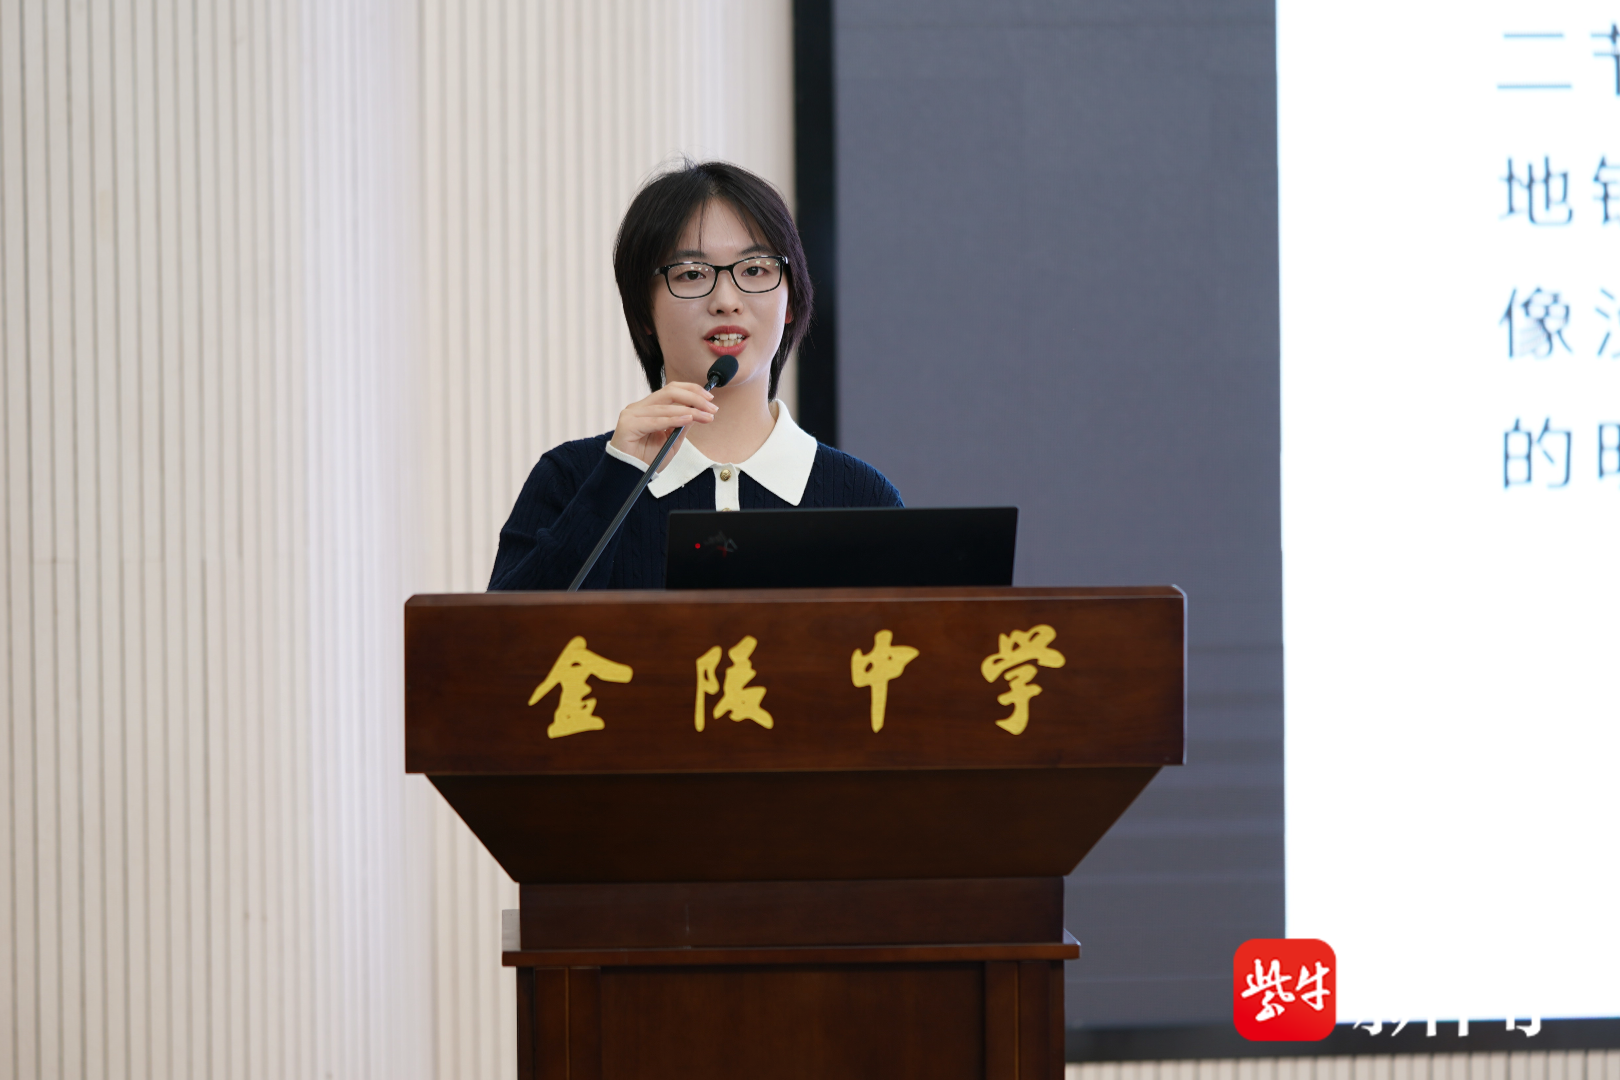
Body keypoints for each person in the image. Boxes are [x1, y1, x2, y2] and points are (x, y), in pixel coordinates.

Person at [489, 160, 902, 591]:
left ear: (792, 300)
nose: (726, 300)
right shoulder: (570, 480)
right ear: (643, 312)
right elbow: (500, 633)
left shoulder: (864, 500)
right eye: (691, 274)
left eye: (755, 269)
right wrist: (614, 482)